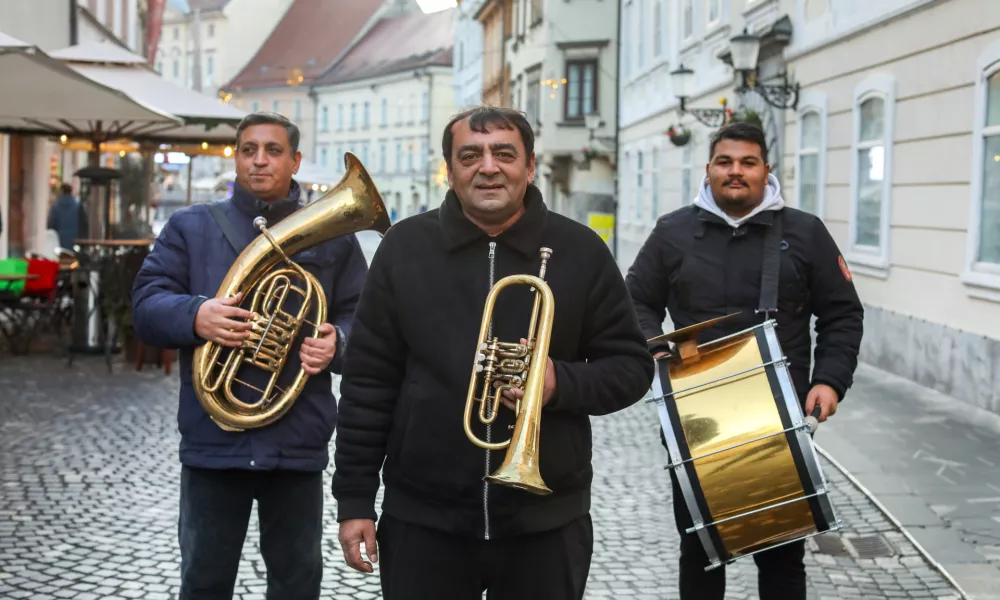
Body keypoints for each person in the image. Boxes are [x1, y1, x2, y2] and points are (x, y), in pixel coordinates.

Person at [331, 106, 655, 600]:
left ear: (529, 167)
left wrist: (557, 384)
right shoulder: (403, 248)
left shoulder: (581, 250)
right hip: (423, 519)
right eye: (470, 155)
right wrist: (355, 499)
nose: (488, 167)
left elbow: (632, 367)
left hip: (547, 522)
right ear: (449, 168)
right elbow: (367, 383)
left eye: (505, 154)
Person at [131, 111, 369, 600]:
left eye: (274, 150)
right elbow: (146, 305)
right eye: (249, 149)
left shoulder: (334, 237)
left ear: (295, 159)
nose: (260, 160)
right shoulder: (190, 226)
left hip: (296, 443)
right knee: (204, 581)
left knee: (297, 582)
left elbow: (363, 319)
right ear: (235, 156)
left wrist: (337, 343)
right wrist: (197, 316)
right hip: (212, 444)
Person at [625, 122, 864, 599]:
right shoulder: (673, 232)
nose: (736, 172)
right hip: (696, 423)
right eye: (725, 162)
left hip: (781, 419)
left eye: (747, 163)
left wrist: (831, 382)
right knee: (699, 552)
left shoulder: (805, 232)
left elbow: (842, 313)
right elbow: (634, 301)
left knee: (782, 556)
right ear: (709, 168)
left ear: (766, 170)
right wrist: (653, 341)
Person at [47, 183, 81, 250]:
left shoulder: (55, 207)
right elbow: (82, 223)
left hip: (60, 240)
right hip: (75, 240)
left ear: (61, 191)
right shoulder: (78, 206)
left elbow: (51, 224)